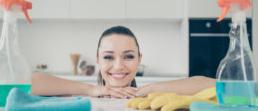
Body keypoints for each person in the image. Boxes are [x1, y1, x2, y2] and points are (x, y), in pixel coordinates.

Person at [31, 26, 215, 99]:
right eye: (108, 57)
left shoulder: (151, 97)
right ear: (98, 61)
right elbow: (24, 82)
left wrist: (147, 90)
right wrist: (92, 89)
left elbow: (213, 85)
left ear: (139, 59)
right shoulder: (80, 98)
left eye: (128, 56)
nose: (118, 66)